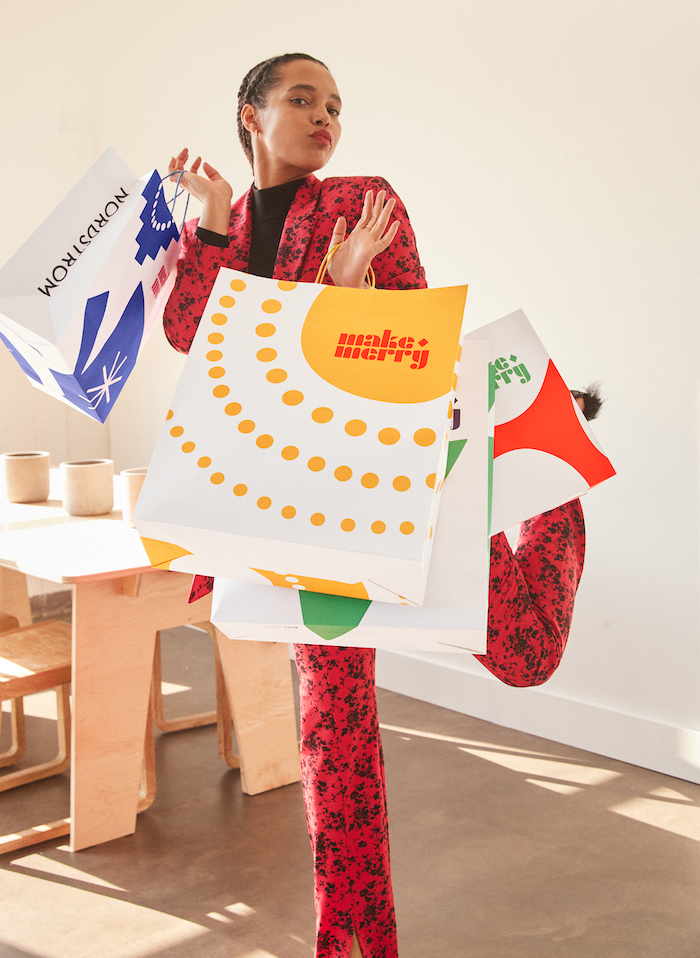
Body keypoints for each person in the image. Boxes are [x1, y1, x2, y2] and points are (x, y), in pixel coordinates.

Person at [163, 53, 586, 958]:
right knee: (333, 733)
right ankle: (353, 941)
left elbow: (414, 342)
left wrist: (348, 294)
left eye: (335, 106)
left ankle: (552, 504)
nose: (325, 118)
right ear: (251, 113)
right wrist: (206, 224)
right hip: (284, 505)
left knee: (525, 655)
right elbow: (196, 343)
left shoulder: (361, 200)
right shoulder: (222, 228)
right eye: (302, 100)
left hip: (380, 482)